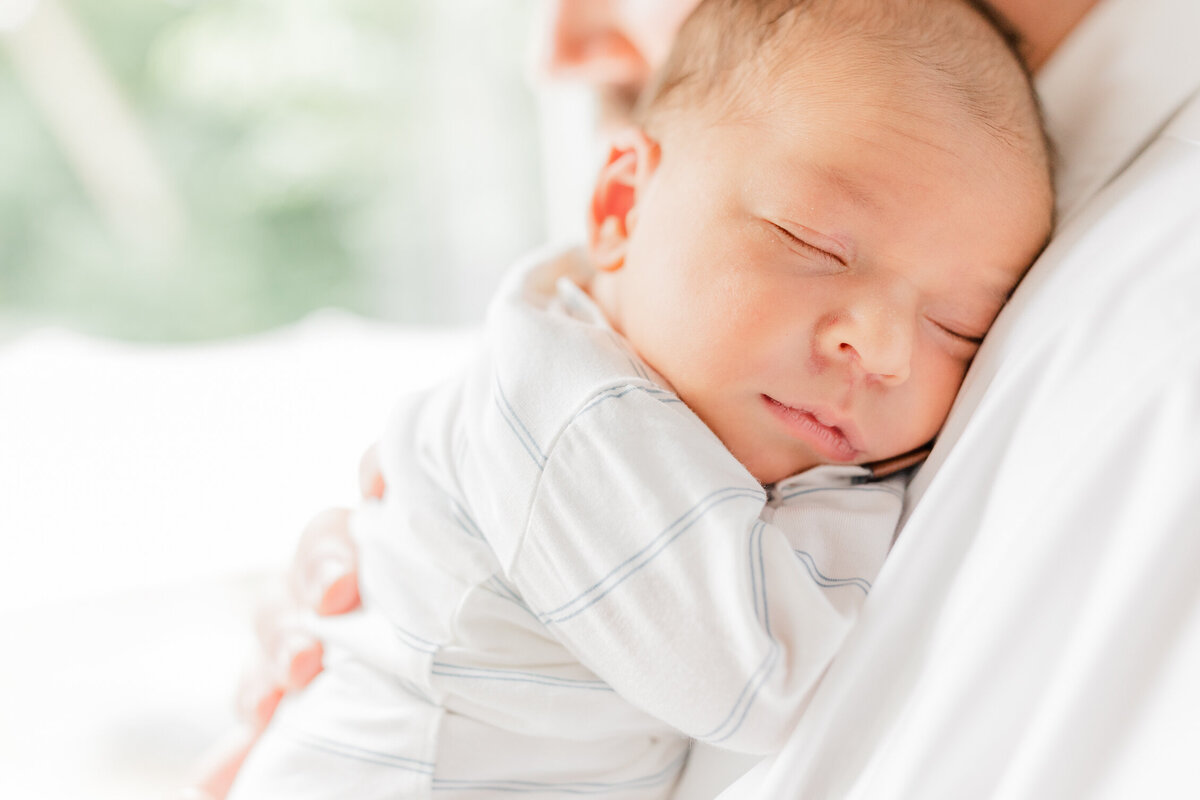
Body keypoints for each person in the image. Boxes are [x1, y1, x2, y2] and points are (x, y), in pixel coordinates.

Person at [191, 0, 1200, 796]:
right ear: (621, 203)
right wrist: (870, 485)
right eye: (814, 243)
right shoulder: (574, 412)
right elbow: (752, 672)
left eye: (963, 330)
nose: (884, 346)